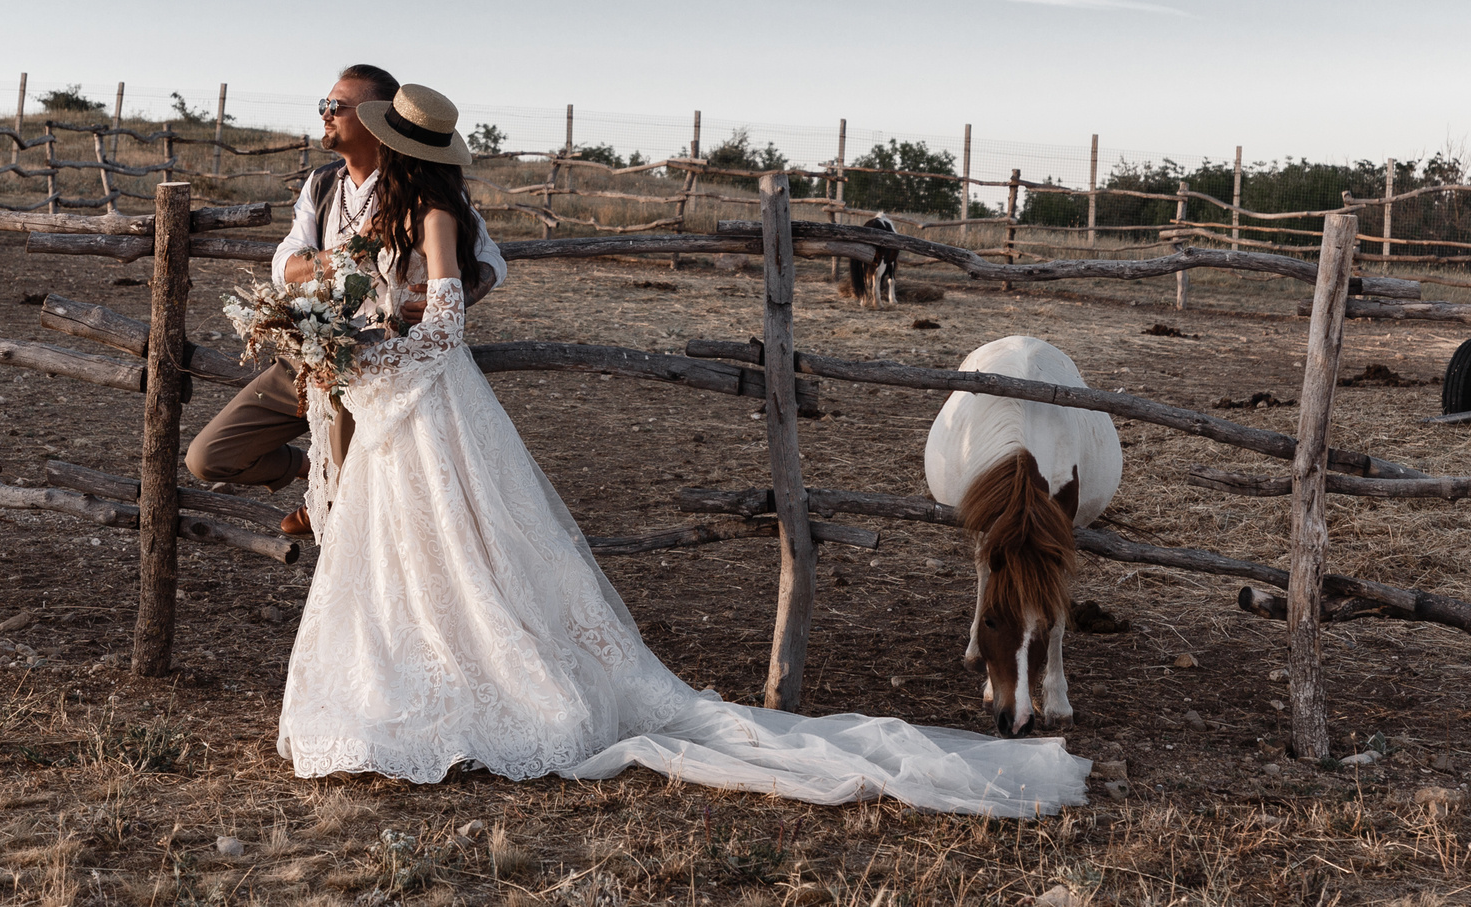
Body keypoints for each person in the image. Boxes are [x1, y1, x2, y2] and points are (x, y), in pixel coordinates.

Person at [276, 84, 1086, 815]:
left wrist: (368, 359)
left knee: (457, 540)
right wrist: (350, 348)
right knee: (408, 546)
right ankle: (417, 682)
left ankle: (484, 689)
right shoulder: (381, 214)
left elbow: (446, 326)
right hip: (390, 398)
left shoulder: (434, 215)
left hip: (423, 393)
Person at [183, 64, 505, 534]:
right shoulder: (322, 184)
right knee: (207, 457)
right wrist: (340, 259)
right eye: (323, 105)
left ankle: (332, 498)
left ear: (377, 123)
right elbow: (284, 267)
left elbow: (488, 261)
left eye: (337, 106)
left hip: (382, 362)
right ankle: (311, 470)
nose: (325, 114)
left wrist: (443, 300)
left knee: (354, 505)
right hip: (314, 351)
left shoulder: (426, 194)